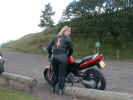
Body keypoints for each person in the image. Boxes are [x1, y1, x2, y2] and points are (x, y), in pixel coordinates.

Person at [47, 26, 73, 95]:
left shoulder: (55, 37)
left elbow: (48, 47)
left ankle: (52, 87)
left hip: (54, 58)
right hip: (63, 58)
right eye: (69, 31)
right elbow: (71, 49)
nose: (70, 33)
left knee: (55, 73)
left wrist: (50, 54)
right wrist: (68, 55)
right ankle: (61, 90)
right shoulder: (68, 38)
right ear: (65, 31)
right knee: (62, 75)